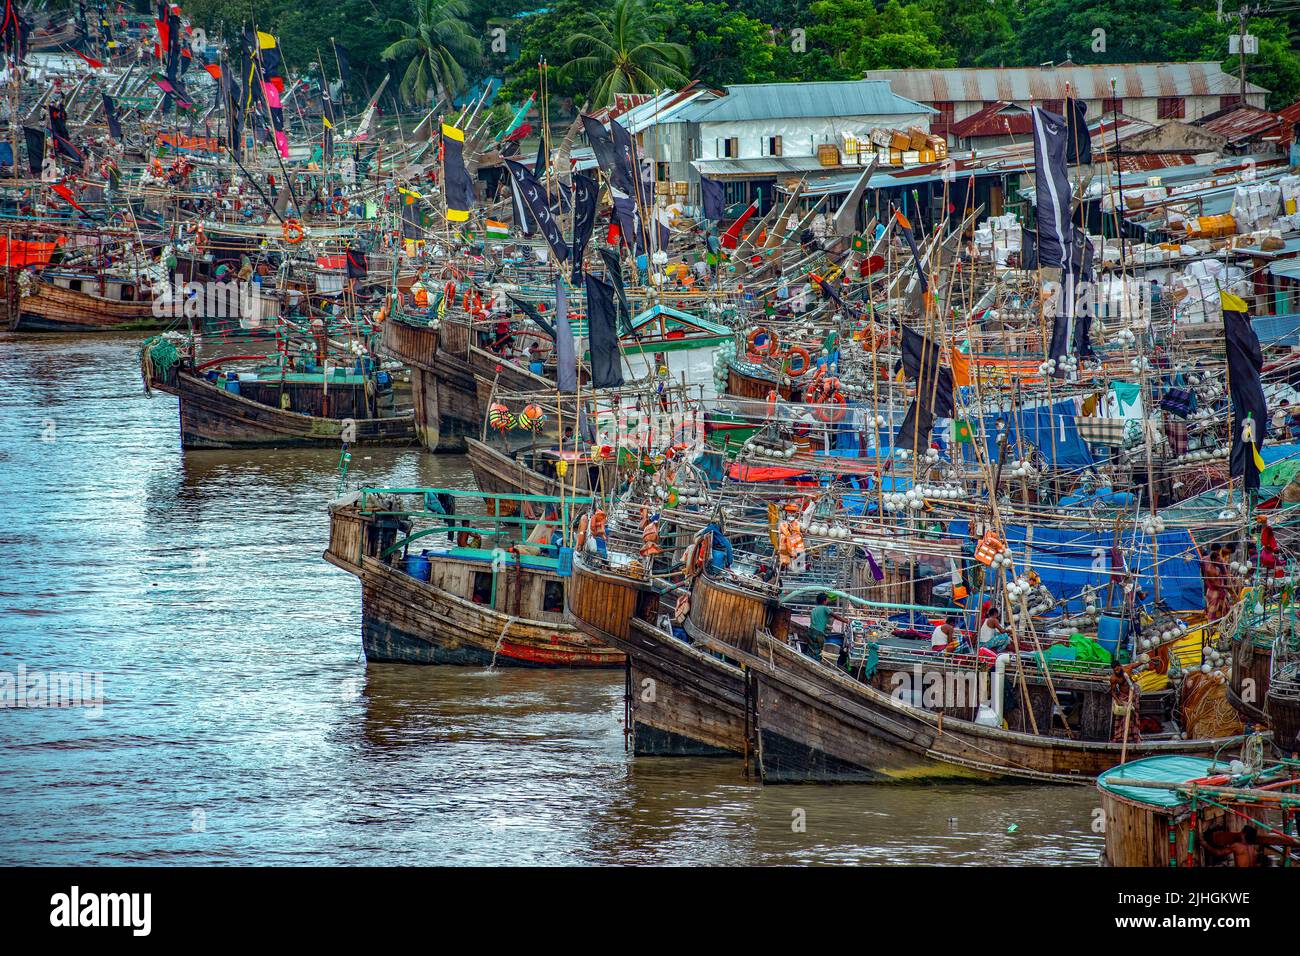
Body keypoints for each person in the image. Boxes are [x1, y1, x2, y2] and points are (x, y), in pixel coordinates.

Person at [1109, 661, 1140, 743]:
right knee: (1120, 716)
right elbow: (1112, 691)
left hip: (1133, 693)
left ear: (1120, 666)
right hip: (1123, 696)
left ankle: (1136, 737)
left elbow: (1138, 663)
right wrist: (1118, 700)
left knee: (1134, 715)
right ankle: (1117, 737)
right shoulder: (1113, 678)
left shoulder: (1128, 668)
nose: (1117, 671)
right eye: (1115, 670)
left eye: (1118, 669)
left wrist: (1146, 660)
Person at [807, 593, 842, 660]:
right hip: (818, 633)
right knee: (819, 652)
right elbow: (835, 616)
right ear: (824, 601)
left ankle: (809, 662)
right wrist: (846, 621)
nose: (828, 601)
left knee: (811, 651)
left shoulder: (814, 609)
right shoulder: (825, 608)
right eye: (827, 599)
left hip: (810, 631)